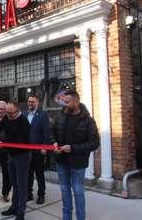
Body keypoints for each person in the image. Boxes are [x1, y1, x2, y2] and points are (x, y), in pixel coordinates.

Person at [52, 90, 100, 220]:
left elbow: (94, 143)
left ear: (76, 102)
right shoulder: (60, 116)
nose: (65, 104)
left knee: (78, 192)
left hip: (78, 163)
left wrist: (73, 148)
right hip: (61, 161)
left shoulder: (88, 120)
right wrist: (54, 143)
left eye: (67, 102)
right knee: (64, 190)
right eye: (64, 102)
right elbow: (52, 132)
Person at [0, 101, 31, 220]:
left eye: (10, 113)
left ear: (17, 111)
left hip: (22, 157)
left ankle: (21, 212)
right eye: (7, 112)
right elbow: (1, 125)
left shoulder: (24, 123)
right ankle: (14, 207)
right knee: (14, 183)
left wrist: (2, 144)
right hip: (11, 156)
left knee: (21, 185)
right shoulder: (8, 117)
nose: (8, 116)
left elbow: (18, 142)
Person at [23, 94, 50, 204]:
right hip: (26, 151)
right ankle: (29, 194)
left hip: (38, 150)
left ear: (37, 103)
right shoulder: (24, 114)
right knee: (28, 174)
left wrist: (44, 146)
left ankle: (41, 194)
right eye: (29, 101)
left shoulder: (43, 115)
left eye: (32, 102)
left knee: (39, 174)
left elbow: (46, 132)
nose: (30, 103)